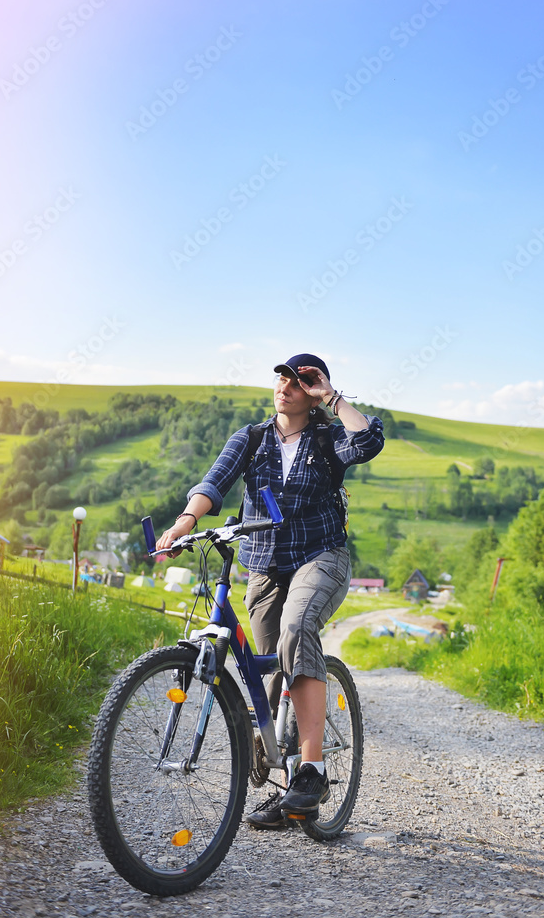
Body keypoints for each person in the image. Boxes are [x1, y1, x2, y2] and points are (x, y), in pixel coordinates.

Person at [156, 353, 384, 828]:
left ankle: (313, 770)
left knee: (296, 630)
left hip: (320, 556)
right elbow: (213, 482)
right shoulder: (252, 438)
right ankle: (289, 795)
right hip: (262, 566)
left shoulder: (327, 437)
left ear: (313, 390)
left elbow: (367, 441)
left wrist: (332, 395)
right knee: (272, 672)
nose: (287, 386)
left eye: (300, 382)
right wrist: (184, 523)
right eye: (283, 377)